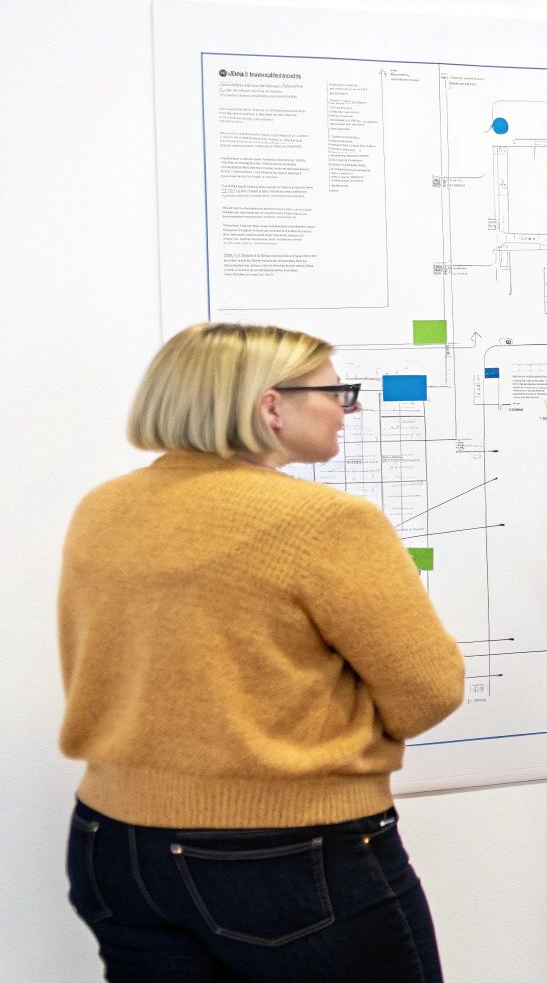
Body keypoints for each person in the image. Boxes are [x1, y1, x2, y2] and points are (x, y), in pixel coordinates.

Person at [58, 323, 466, 982]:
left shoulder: (103, 507)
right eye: (338, 392)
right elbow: (428, 692)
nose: (349, 409)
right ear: (271, 406)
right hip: (284, 852)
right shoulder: (325, 521)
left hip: (113, 844)